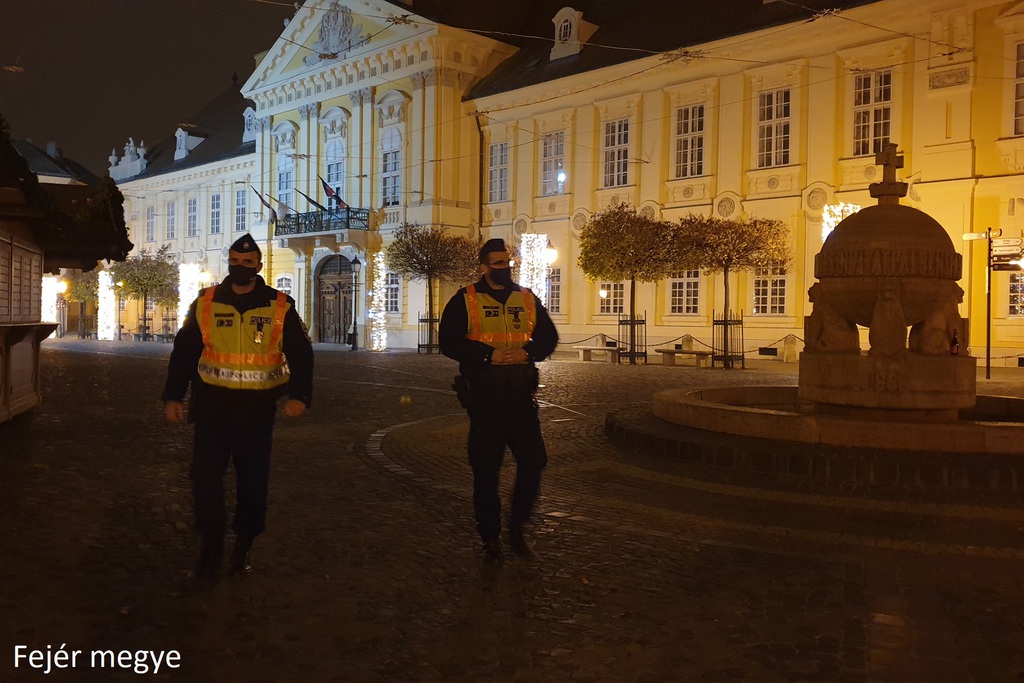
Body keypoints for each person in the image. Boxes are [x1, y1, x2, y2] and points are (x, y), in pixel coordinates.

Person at [163, 233, 314, 580]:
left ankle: (244, 541)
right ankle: (212, 546)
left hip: (257, 410)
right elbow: (184, 351)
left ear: (258, 266)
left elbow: (301, 355)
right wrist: (173, 395)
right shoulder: (205, 302)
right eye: (234, 261)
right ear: (228, 262)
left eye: (247, 263)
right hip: (212, 407)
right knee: (204, 479)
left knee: (252, 483)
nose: (240, 267)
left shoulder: (279, 304)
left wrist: (299, 396)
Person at [439, 238, 559, 563]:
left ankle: (517, 526)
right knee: (486, 470)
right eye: (497, 264)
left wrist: (528, 351)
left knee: (535, 462)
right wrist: (487, 355)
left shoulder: (527, 298)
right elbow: (447, 341)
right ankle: (490, 536)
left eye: (507, 263)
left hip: (521, 399)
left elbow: (549, 336)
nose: (504, 268)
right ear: (483, 267)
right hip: (485, 400)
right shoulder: (465, 299)